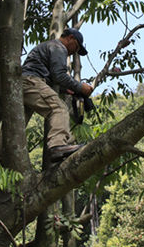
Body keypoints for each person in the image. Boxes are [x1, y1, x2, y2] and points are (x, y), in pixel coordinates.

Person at [22, 27, 93, 163]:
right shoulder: (58, 47)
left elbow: (51, 77)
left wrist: (66, 90)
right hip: (31, 81)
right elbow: (59, 75)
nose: (74, 52)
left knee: (16, 126)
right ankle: (57, 146)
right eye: (76, 47)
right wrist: (80, 87)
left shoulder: (49, 46)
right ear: (70, 38)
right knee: (59, 109)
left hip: (25, 84)